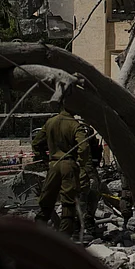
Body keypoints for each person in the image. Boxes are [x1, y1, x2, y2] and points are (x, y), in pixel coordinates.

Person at [33, 92, 91, 235]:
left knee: (46, 200)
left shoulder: (50, 122)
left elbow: (36, 143)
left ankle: (36, 232)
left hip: (53, 164)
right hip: (68, 165)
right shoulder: (75, 125)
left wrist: (45, 159)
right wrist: (82, 165)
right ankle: (65, 236)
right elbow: (84, 147)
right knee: (68, 202)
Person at [77, 124, 103, 236]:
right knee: (82, 198)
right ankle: (78, 225)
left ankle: (87, 223)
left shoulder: (87, 133)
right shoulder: (78, 133)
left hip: (89, 172)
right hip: (81, 172)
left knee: (92, 197)